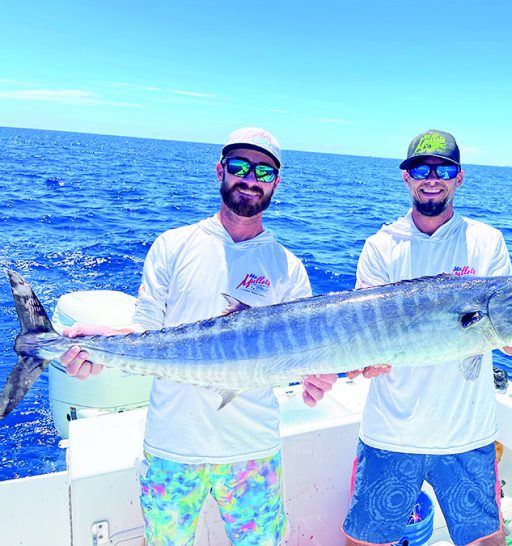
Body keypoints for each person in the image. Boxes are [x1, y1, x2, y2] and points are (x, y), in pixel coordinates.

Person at [60, 127, 334, 545]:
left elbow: (303, 354)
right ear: (220, 171)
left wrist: (319, 377)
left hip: (251, 452)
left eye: (263, 170)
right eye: (239, 166)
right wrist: (100, 346)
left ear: (275, 182)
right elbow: (146, 334)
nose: (250, 178)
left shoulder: (288, 268)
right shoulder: (173, 246)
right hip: (172, 450)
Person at [338, 130, 512, 546]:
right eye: (421, 169)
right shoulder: (381, 246)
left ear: (459, 177)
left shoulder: (485, 241)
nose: (432, 177)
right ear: (406, 178)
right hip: (391, 432)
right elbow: (364, 340)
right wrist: (362, 362)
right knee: (364, 542)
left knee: (486, 542)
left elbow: (508, 339)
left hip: (467, 435)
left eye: (444, 169)